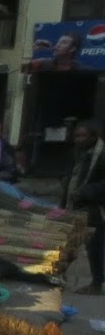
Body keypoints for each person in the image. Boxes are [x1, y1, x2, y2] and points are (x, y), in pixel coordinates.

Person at [66, 120, 105, 290]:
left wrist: (86, 191)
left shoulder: (101, 155)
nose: (79, 139)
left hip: (96, 207)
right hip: (76, 204)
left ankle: (97, 283)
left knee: (94, 245)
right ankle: (59, 274)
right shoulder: (78, 153)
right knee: (69, 242)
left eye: (83, 136)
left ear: (93, 137)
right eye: (76, 136)